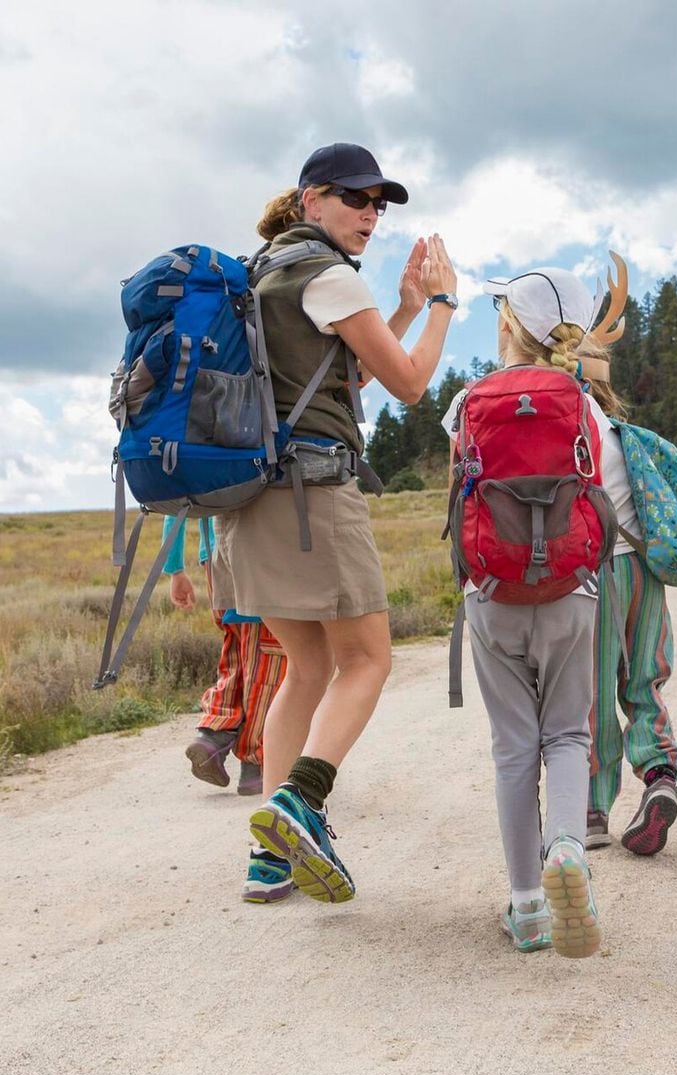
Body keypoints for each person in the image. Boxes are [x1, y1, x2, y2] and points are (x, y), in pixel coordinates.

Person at [212, 142, 458, 905]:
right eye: (356, 199)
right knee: (368, 660)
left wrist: (406, 309)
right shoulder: (328, 274)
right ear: (311, 199)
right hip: (315, 496)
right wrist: (444, 305)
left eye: (379, 204)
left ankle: (269, 858)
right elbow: (410, 384)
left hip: (249, 500)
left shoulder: (264, 274)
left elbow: (337, 379)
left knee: (307, 667)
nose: (370, 215)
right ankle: (298, 800)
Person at [441, 265, 620, 957]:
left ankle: (527, 907)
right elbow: (599, 492)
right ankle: (569, 848)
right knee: (568, 736)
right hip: (571, 593)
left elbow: (458, 493)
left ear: (509, 326)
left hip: (492, 594)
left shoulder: (464, 402)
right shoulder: (585, 403)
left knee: (514, 748)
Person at [584, 371, 677, 857]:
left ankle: (592, 809)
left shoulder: (569, 428)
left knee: (595, 689)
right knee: (647, 679)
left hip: (594, 573)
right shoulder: (626, 436)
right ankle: (661, 775)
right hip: (645, 570)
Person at [165, 516, 286, 807]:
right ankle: (257, 760)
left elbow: (175, 506)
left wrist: (175, 569)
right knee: (269, 656)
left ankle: (214, 730)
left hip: (213, 556)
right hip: (255, 548)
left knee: (237, 649)